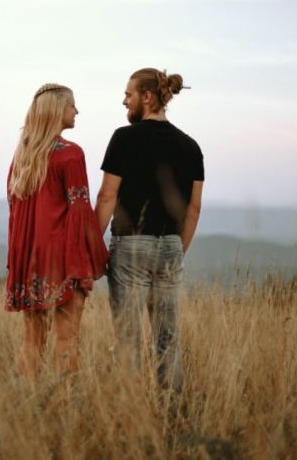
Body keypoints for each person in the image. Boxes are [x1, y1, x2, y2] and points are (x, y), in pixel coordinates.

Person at [94, 68, 204, 389]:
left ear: (147, 96)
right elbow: (194, 208)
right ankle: (171, 414)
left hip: (131, 246)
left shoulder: (124, 138)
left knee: (128, 337)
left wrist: (90, 247)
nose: (124, 101)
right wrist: (177, 249)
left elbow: (106, 197)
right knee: (167, 337)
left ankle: (129, 420)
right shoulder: (191, 146)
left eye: (128, 94)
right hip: (171, 246)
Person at [6, 83, 109, 379]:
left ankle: (28, 405)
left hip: (29, 257)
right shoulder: (70, 154)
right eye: (72, 105)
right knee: (67, 340)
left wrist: (18, 260)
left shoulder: (22, 158)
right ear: (57, 111)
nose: (77, 110)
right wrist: (93, 256)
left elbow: (15, 214)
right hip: (63, 257)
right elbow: (80, 211)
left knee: (31, 341)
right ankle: (63, 410)